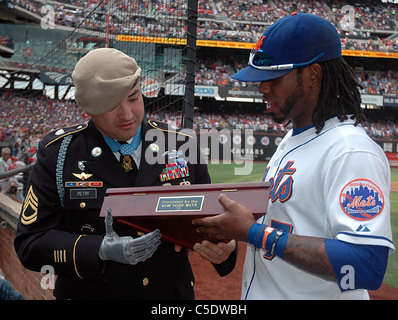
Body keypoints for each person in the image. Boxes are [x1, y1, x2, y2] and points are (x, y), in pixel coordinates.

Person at [192, 13, 395, 300]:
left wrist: (253, 233)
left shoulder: (350, 150)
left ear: (313, 74)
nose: (262, 87)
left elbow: (366, 265)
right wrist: (236, 239)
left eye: (273, 78)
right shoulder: (293, 137)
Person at [14, 48, 236, 300]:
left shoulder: (181, 145)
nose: (127, 115)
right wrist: (97, 250)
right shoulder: (60, 153)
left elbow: (210, 225)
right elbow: (30, 244)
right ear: (88, 107)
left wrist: (225, 250)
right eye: (111, 105)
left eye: (133, 98)